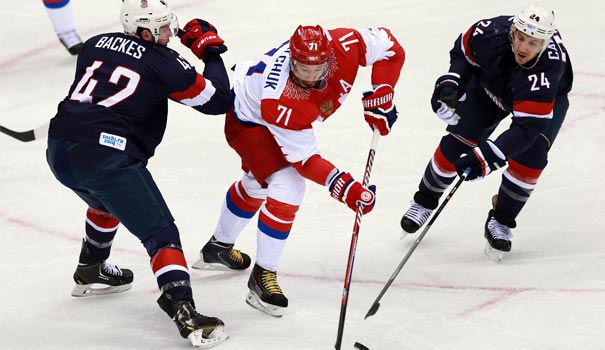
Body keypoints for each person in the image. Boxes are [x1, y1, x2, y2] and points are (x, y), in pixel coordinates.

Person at [45, 0, 231, 347]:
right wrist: (212, 53)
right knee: (161, 232)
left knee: (104, 202)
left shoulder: (94, 44)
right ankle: (183, 309)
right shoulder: (165, 63)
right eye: (161, 29)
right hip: (106, 156)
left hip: (59, 149)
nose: (169, 33)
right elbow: (219, 100)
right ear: (143, 32)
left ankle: (91, 268)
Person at [191, 24, 405, 317]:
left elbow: (392, 49)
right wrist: (347, 188)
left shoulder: (346, 42)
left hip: (263, 105)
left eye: (316, 68)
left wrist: (383, 90)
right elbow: (304, 161)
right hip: (249, 118)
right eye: (302, 68)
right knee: (288, 185)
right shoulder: (281, 99)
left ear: (330, 57)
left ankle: (218, 247)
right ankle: (262, 277)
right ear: (292, 59)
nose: (309, 76)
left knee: (257, 183)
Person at [400, 4, 573, 262]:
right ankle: (425, 199)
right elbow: (463, 52)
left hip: (544, 99)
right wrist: (451, 82)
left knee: (531, 156)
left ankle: (501, 219)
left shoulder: (547, 70)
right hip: (491, 86)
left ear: (545, 43)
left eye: (533, 43)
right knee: (458, 143)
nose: (524, 47)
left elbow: (526, 129)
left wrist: (487, 157)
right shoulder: (491, 32)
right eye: (521, 38)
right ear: (513, 30)